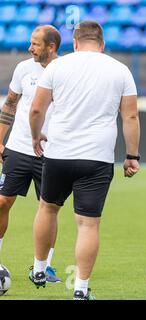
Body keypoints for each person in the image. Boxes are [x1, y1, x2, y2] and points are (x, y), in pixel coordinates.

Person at [28, 21, 140, 300]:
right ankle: (80, 289)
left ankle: (40, 268)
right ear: (102, 44)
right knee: (88, 224)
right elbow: (131, 117)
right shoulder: (120, 69)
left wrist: (35, 137)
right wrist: (132, 156)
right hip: (97, 157)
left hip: (59, 152)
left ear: (75, 43)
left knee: (47, 207)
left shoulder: (57, 66)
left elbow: (37, 109)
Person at [0, 25, 61, 283]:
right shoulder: (24, 68)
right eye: (30, 42)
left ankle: (44, 268)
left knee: (49, 209)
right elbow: (11, 103)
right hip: (19, 148)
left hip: (52, 152)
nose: (29, 48)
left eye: (35, 44)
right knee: (2, 202)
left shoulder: (66, 70)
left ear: (51, 47)